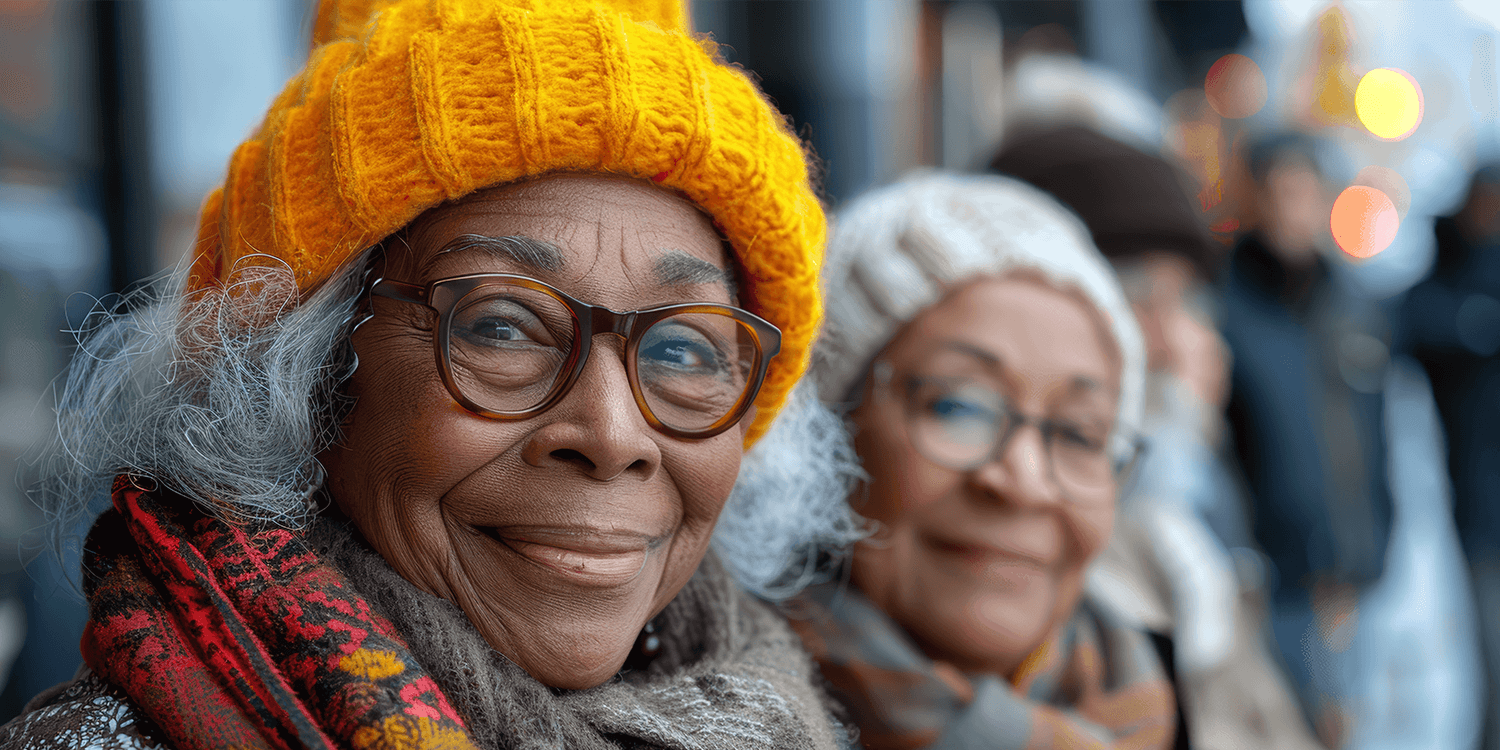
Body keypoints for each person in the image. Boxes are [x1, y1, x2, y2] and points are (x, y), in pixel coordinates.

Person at [1, 0, 861, 747]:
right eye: (502, 327)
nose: (612, 435)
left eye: (681, 348)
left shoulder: (782, 711)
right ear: (299, 381)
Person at [791, 171, 1180, 749]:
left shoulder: (1162, 691)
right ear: (826, 436)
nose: (1024, 482)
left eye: (1079, 434)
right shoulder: (705, 718)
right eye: (957, 406)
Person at [993, 126, 1323, 750]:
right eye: (1140, 299)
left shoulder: (1182, 493)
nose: (1174, 344)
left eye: (1184, 301)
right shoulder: (1036, 539)